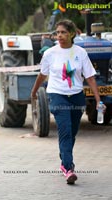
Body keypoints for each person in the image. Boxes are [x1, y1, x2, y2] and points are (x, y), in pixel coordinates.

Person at [31, 19, 105, 184]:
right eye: (57, 33)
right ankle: (67, 167)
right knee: (65, 130)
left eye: (63, 32)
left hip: (77, 97)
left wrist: (99, 100)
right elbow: (42, 75)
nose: (60, 36)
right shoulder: (50, 53)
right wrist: (34, 91)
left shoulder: (80, 52)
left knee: (72, 132)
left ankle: (64, 156)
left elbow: (91, 78)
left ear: (72, 34)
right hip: (57, 96)